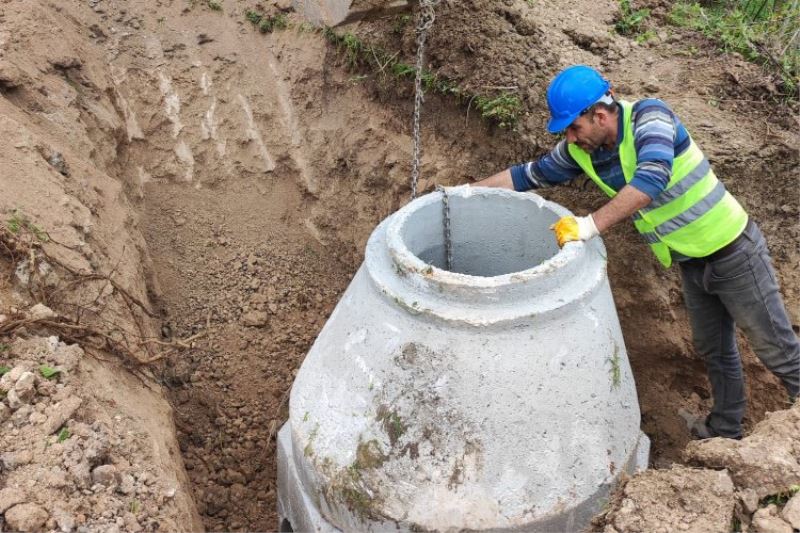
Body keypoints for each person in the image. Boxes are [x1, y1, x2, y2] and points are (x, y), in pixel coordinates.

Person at [475, 65, 800, 440]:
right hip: (691, 262)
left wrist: (588, 226)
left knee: (777, 350)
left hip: (734, 251)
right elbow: (524, 176)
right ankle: (724, 432)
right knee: (714, 349)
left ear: (598, 115)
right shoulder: (581, 151)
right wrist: (462, 192)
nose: (570, 136)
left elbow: (651, 178)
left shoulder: (651, 117)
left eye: (574, 127)